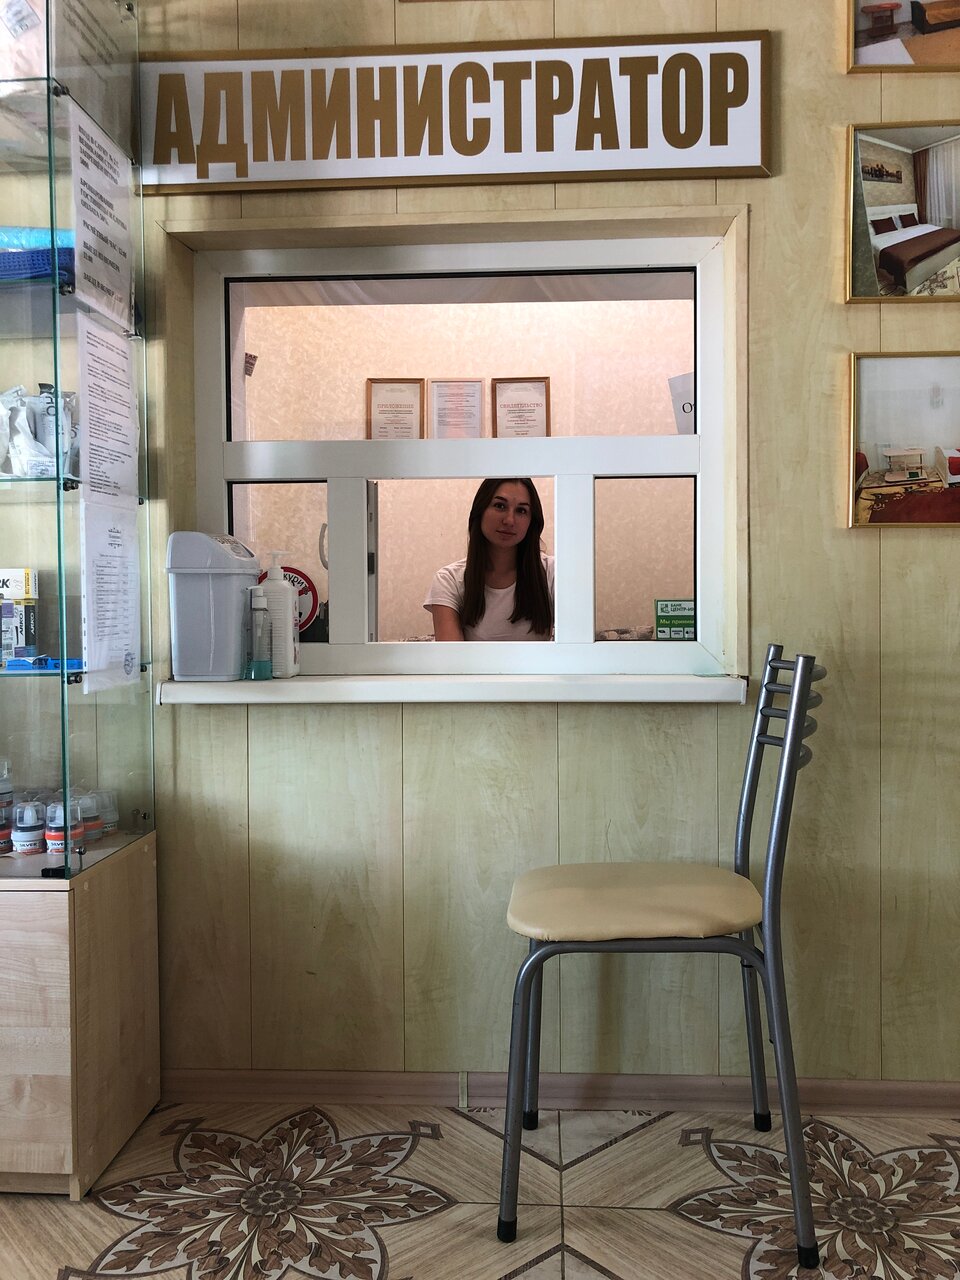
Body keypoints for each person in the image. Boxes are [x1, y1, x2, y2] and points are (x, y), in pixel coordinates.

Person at [424, 477, 554, 641]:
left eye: (521, 510)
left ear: (531, 521)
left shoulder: (553, 572)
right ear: (481, 510)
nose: (509, 520)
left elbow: (575, 645)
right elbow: (451, 656)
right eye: (500, 506)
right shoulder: (449, 580)